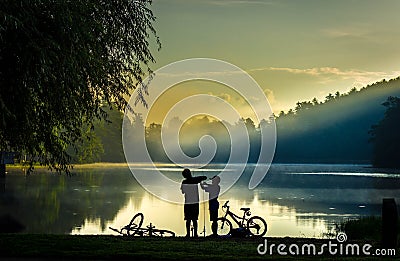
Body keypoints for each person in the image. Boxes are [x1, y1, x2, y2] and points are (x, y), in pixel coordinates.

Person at [180, 168, 207, 237]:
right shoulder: (195, 180)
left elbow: (183, 192)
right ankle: (195, 234)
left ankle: (188, 234)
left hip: (188, 202)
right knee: (195, 219)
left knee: (188, 219)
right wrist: (197, 179)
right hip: (195, 202)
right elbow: (205, 177)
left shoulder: (184, 182)